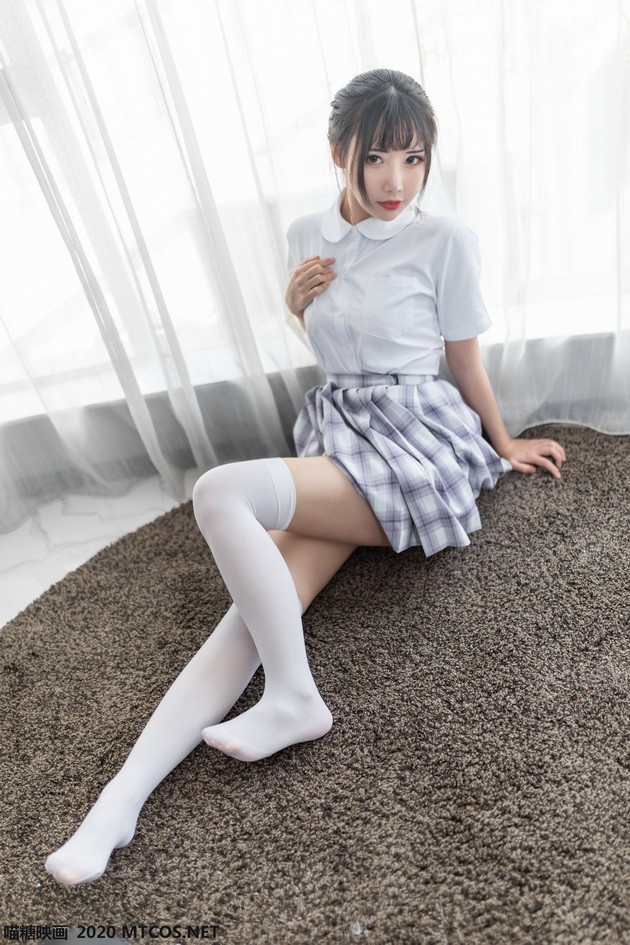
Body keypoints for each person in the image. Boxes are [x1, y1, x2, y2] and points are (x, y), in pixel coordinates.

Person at [44, 68, 565, 887]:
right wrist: (296, 307)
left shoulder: (446, 240)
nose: (396, 182)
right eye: (376, 158)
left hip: (415, 439)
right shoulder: (305, 235)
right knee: (250, 617)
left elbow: (463, 359)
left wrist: (502, 442)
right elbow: (340, 338)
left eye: (414, 159)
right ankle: (115, 807)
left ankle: (293, 696)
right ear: (337, 153)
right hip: (340, 431)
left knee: (220, 491)